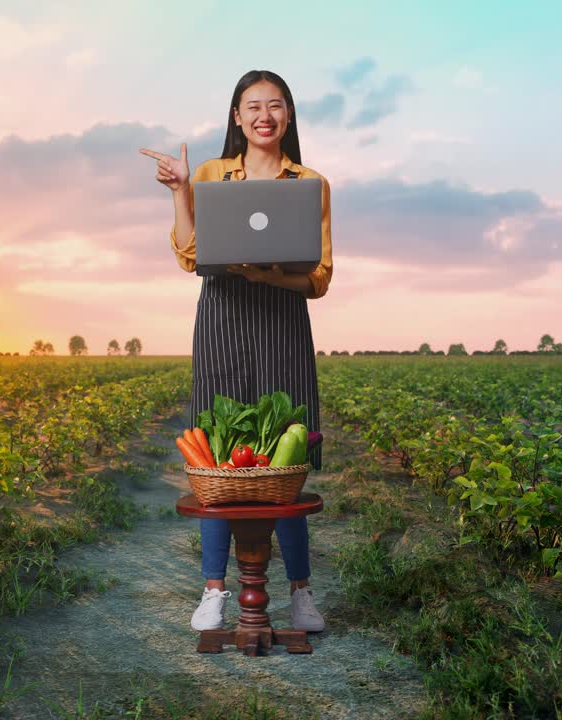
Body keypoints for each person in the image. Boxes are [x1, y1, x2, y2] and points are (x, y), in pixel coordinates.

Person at [139, 69, 332, 633]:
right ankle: (214, 591)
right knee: (218, 461)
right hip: (222, 317)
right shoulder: (209, 175)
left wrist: (272, 274)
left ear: (289, 116)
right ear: (237, 116)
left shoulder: (312, 183)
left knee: (285, 458)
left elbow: (319, 276)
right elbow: (190, 254)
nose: (264, 115)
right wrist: (180, 192)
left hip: (282, 320)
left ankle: (300, 592)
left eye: (275, 105)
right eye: (253, 106)